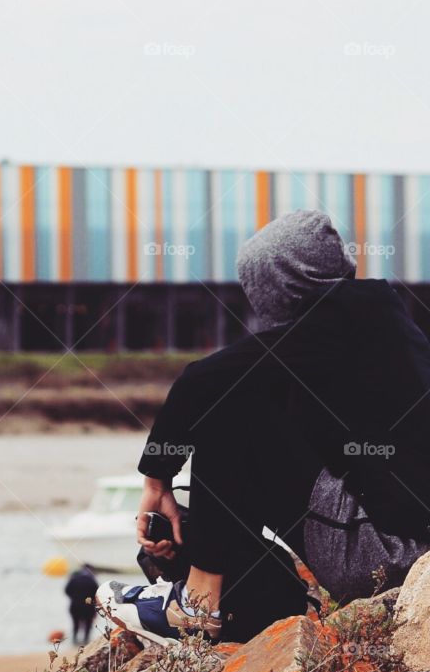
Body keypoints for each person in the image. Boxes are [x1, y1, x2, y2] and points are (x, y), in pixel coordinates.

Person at [101, 209, 430, 645]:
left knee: (230, 407)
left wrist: (156, 479)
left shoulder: (347, 324)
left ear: (282, 284)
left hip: (390, 552)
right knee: (246, 424)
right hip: (390, 536)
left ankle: (198, 605)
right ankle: (245, 603)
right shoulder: (370, 329)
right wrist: (196, 528)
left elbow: (201, 381)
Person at [65, 564, 99, 644]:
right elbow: (97, 594)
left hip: (75, 606)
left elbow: (67, 590)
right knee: (87, 625)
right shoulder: (92, 580)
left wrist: (74, 598)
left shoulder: (74, 578)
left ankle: (74, 641)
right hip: (88, 607)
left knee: (75, 624)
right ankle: (86, 642)